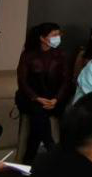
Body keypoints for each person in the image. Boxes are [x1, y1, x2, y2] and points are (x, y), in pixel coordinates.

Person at [16, 22, 73, 162]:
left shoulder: (61, 55)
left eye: (59, 34)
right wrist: (36, 97)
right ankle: (51, 147)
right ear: (42, 38)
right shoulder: (28, 55)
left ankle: (29, 157)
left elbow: (66, 81)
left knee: (38, 120)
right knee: (38, 112)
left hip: (55, 98)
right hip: (31, 98)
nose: (58, 37)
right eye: (54, 35)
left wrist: (56, 99)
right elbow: (22, 82)